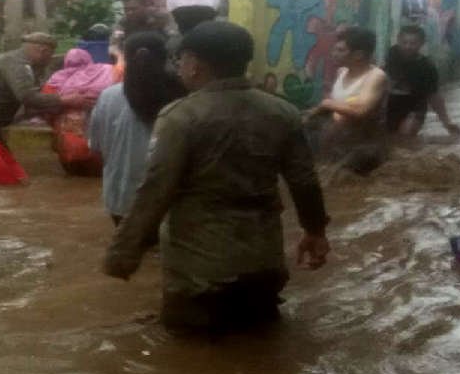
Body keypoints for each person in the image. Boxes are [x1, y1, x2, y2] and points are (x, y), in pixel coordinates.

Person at [103, 22, 330, 337]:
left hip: (200, 276)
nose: (178, 67)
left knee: (188, 362)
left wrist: (123, 255)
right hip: (264, 265)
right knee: (261, 350)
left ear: (195, 64)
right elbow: (304, 180)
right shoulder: (283, 111)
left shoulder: (180, 116)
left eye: (180, 60)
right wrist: (316, 231)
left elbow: (155, 190)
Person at [88, 31, 186, 225]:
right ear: (165, 57)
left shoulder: (108, 97)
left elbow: (96, 147)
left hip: (120, 197)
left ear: (125, 58)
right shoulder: (183, 97)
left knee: (128, 250)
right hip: (170, 201)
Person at [0, 32, 93, 159]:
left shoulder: (18, 62)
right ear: (43, 51)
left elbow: (27, 102)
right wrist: (64, 100)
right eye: (50, 54)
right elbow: (27, 97)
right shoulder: (17, 65)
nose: (50, 59)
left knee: (0, 165)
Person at [308, 26, 389, 175]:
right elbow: (338, 108)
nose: (334, 54)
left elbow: (360, 110)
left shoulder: (375, 76)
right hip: (339, 144)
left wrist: (327, 104)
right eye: (335, 49)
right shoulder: (342, 72)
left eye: (340, 50)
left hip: (364, 150)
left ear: (358, 55)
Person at [45, 48, 116, 176]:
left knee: (74, 171)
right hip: (100, 128)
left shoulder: (56, 80)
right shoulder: (107, 72)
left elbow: (46, 106)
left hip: (69, 134)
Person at [385, 25, 460, 142]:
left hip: (414, 108)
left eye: (413, 43)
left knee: (405, 137)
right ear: (398, 41)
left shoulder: (427, 67)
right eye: (404, 42)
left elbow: (434, 96)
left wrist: (446, 122)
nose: (408, 46)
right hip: (391, 106)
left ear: (421, 44)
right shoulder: (392, 54)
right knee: (387, 140)